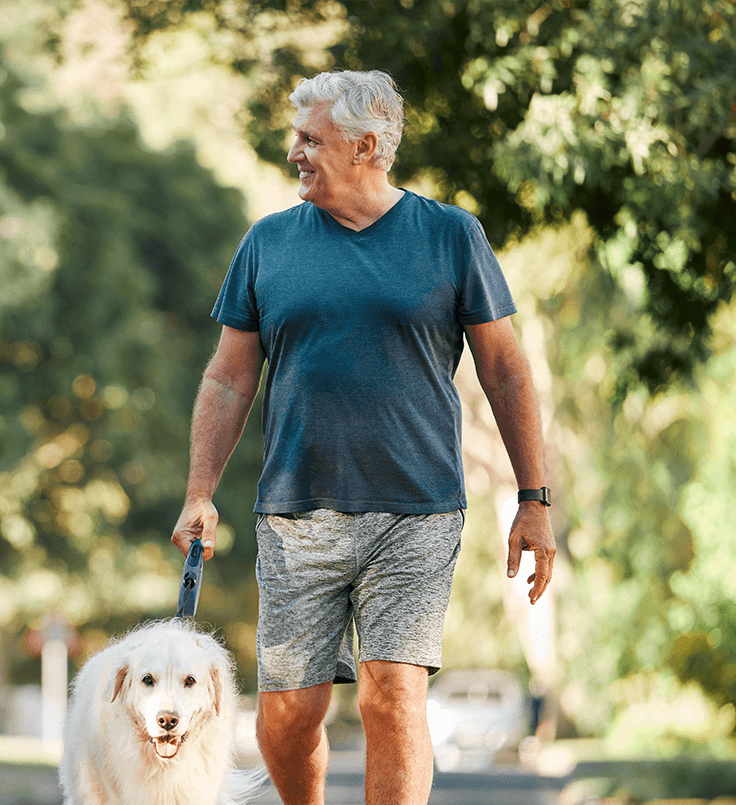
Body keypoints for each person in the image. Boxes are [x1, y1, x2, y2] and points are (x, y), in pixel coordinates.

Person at [170, 70, 556, 805]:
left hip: (417, 507)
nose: (294, 152)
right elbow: (227, 379)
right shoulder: (269, 243)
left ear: (368, 147)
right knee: (287, 716)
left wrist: (534, 498)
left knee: (393, 695)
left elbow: (505, 370)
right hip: (295, 510)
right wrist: (200, 491)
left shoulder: (449, 235)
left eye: (311, 139)